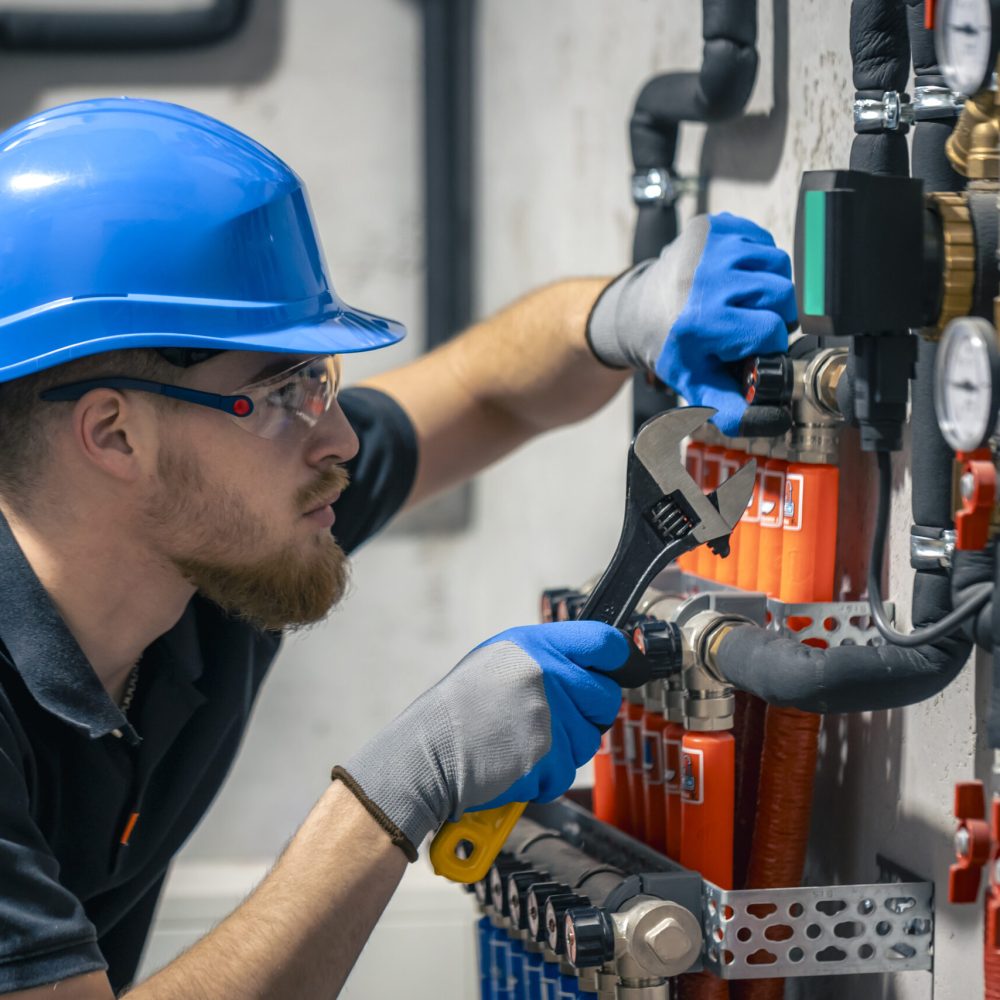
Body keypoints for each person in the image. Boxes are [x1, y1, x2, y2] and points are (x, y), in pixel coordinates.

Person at [0, 98, 796, 999]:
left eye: (323, 380)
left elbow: (486, 390)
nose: (339, 438)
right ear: (115, 436)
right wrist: (398, 787)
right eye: (285, 390)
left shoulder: (213, 543)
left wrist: (622, 312)